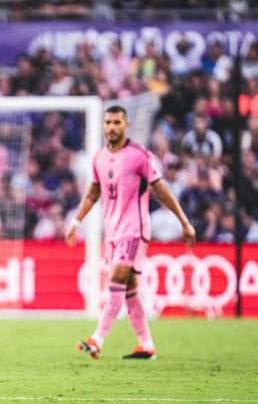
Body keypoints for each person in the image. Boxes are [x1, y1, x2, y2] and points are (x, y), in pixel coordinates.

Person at [65, 106, 195, 360]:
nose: (111, 127)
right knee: (128, 288)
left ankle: (97, 339)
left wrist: (184, 221)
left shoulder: (139, 156)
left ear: (126, 126)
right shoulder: (99, 158)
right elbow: (93, 193)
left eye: (116, 122)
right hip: (112, 232)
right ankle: (146, 345)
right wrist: (76, 221)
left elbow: (161, 189)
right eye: (108, 122)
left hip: (134, 229)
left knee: (115, 279)